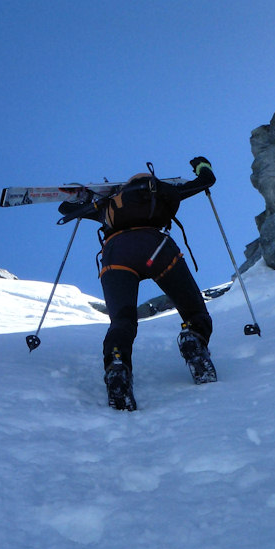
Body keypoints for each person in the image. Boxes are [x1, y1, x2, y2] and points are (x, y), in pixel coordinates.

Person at [58, 157, 218, 411]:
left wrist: (80, 198)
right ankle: (194, 337)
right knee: (193, 309)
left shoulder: (109, 204)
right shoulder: (164, 194)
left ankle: (118, 365)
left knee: (122, 321)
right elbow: (207, 180)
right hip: (157, 248)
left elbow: (66, 212)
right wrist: (201, 165)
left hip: (117, 254)